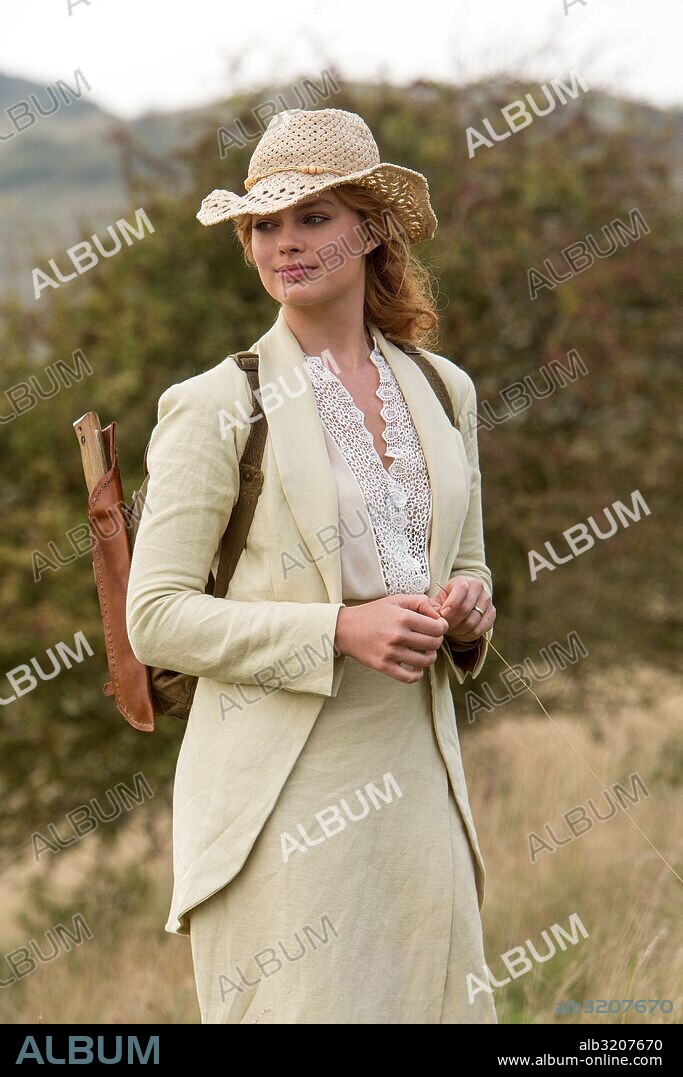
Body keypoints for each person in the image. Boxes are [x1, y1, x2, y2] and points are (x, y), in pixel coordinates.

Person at [126, 107, 497, 1024]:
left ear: (371, 229)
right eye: (263, 224)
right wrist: (338, 628)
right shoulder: (212, 403)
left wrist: (468, 609)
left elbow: (469, 558)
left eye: (312, 217)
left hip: (419, 776)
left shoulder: (446, 388)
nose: (282, 243)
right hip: (282, 791)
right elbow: (157, 617)